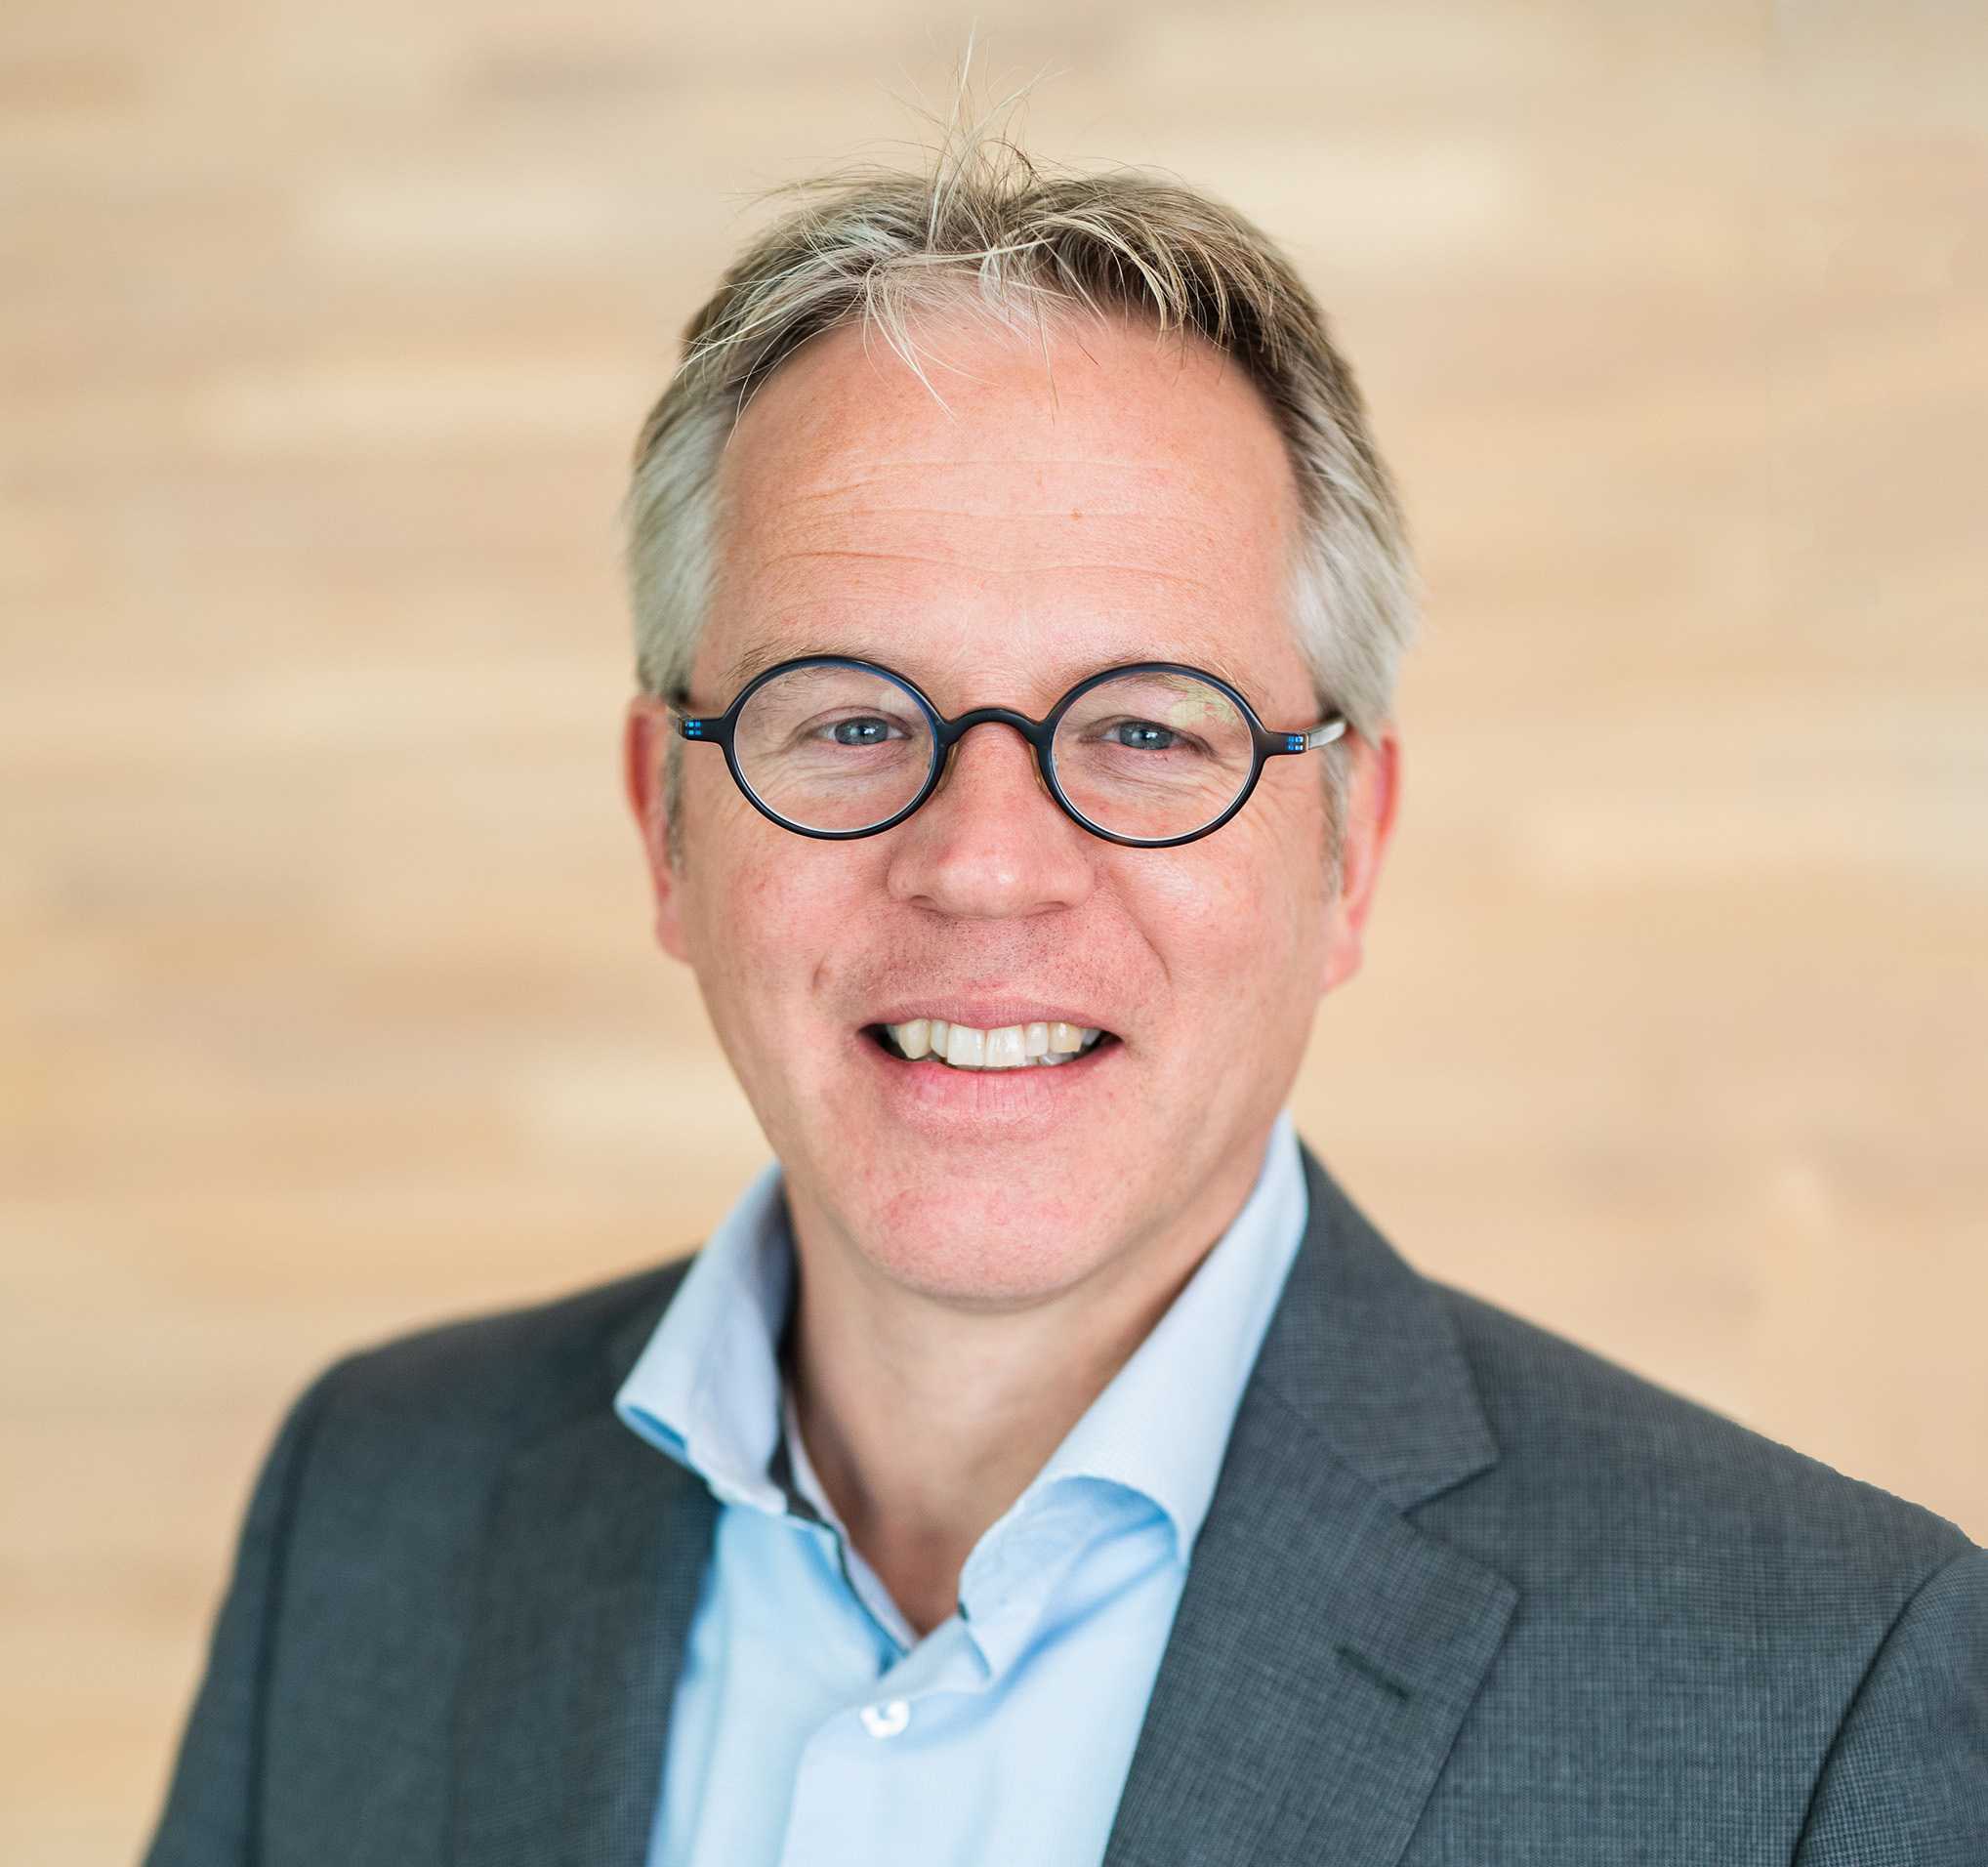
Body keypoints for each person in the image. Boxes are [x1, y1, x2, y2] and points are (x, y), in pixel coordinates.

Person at [142, 131, 1986, 1867]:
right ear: (666, 826)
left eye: (1146, 731)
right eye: (851, 721)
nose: (985, 865)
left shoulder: (1819, 1694)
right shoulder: (373, 1505)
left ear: (1347, 851)